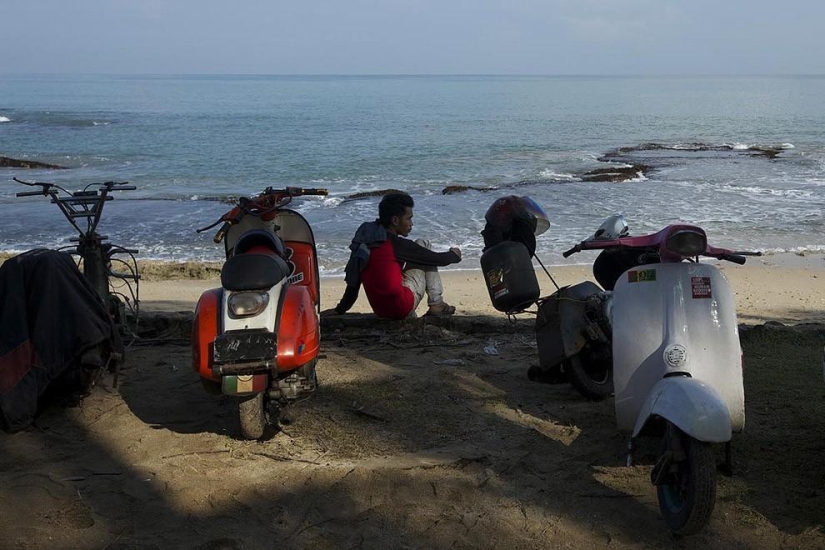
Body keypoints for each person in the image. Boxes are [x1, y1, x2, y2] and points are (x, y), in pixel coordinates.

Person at [322, 192, 462, 320]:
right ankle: (436, 303)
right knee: (423, 244)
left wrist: (341, 308)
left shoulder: (366, 237)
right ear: (395, 220)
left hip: (380, 310)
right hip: (401, 308)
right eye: (409, 218)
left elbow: (354, 279)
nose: (411, 223)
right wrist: (454, 254)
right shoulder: (395, 244)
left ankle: (416, 312)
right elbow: (436, 259)